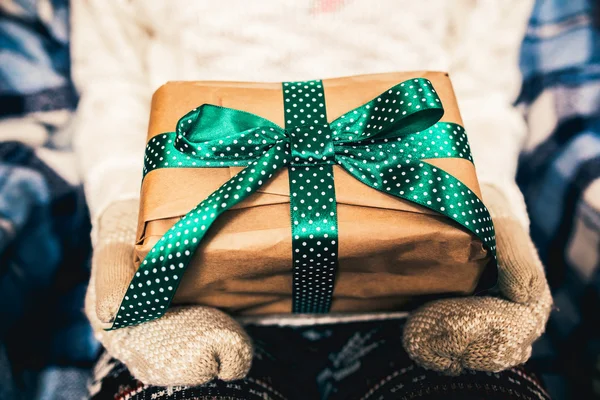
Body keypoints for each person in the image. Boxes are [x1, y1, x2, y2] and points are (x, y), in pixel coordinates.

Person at [71, 0, 552, 398]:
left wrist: (494, 207)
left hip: (424, 294)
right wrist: (118, 225)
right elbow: (115, 93)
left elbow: (480, 91)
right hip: (192, 292)